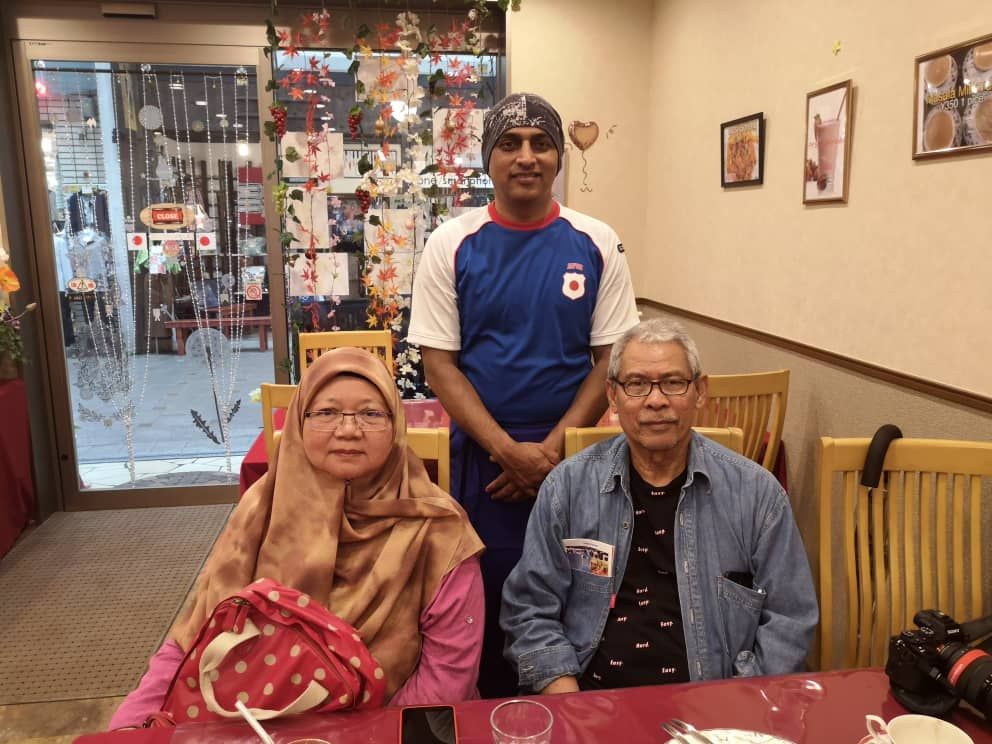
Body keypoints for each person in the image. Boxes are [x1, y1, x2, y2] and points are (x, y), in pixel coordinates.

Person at [109, 348, 486, 728]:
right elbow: (196, 631)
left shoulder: (438, 528)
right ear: (298, 422)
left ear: (396, 425)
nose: (349, 430)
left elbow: (447, 675)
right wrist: (131, 724)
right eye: (326, 413)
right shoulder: (262, 509)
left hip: (387, 724)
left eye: (371, 414)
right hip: (256, 718)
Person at [408, 92, 639, 696]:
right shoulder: (451, 243)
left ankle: (574, 719)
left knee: (580, 596)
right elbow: (439, 364)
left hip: (578, 457)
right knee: (486, 602)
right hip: (483, 461)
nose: (526, 157)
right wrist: (508, 451)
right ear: (489, 158)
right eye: (510, 144)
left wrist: (552, 453)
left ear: (559, 157)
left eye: (541, 144)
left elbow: (610, 360)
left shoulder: (597, 240)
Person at [501, 318, 818, 694]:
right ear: (613, 396)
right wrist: (571, 703)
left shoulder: (757, 494)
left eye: (673, 382)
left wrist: (733, 708)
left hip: (712, 705)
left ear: (700, 392)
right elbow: (528, 609)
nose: (656, 400)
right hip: (588, 698)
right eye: (636, 384)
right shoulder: (567, 487)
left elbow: (789, 620)